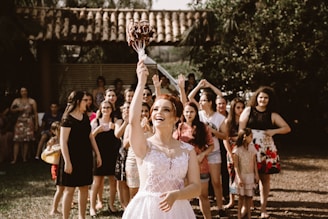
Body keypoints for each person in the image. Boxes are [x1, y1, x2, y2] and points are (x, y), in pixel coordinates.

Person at [122, 61, 201, 218]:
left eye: (166, 110)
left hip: (179, 211)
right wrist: (141, 83)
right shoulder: (144, 146)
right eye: (156, 109)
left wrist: (176, 195)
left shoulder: (187, 150)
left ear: (176, 117)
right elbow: (133, 120)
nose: (159, 113)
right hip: (146, 211)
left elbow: (196, 187)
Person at [239, 86, 291, 219]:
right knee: (247, 177)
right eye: (261, 97)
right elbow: (241, 129)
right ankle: (248, 206)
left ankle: (263, 208)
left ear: (269, 99)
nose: (263, 100)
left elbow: (287, 128)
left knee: (264, 178)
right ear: (256, 97)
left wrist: (274, 131)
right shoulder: (248, 111)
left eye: (266, 98)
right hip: (249, 147)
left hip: (265, 150)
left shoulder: (272, 114)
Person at [56, 90, 102, 219]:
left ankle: (82, 216)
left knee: (84, 188)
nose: (87, 102)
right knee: (69, 190)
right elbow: (63, 142)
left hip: (85, 157)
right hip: (71, 157)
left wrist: (98, 154)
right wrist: (67, 161)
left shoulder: (85, 117)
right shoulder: (67, 119)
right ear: (78, 102)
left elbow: (90, 137)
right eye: (85, 100)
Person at [188, 79, 228, 217]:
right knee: (201, 182)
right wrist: (199, 86)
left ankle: (220, 206)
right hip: (199, 153)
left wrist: (213, 131)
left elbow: (225, 136)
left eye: (204, 100)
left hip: (214, 152)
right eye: (201, 100)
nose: (201, 102)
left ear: (210, 102)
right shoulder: (198, 115)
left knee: (216, 181)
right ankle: (204, 206)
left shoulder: (219, 118)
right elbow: (189, 98)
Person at [173, 101, 214, 219]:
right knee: (185, 196)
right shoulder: (180, 127)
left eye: (191, 111)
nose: (189, 114)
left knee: (203, 195)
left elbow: (211, 145)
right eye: (186, 112)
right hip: (184, 166)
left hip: (201, 165)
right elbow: (174, 143)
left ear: (196, 113)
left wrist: (202, 155)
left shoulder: (203, 127)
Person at [89, 100, 121, 217]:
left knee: (113, 182)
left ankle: (111, 205)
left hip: (112, 155)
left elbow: (120, 135)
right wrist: (97, 131)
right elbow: (90, 138)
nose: (106, 109)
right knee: (97, 182)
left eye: (108, 107)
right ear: (100, 109)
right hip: (99, 155)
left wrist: (114, 128)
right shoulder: (95, 122)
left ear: (112, 109)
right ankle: (92, 207)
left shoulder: (115, 122)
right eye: (104, 108)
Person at [124, 102, 153, 200]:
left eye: (146, 111)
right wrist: (139, 129)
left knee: (148, 191)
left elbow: (158, 145)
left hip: (150, 162)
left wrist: (151, 131)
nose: (144, 113)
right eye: (141, 111)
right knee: (134, 193)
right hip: (133, 162)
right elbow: (125, 145)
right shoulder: (130, 126)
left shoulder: (154, 128)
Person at [222, 97, 245, 209]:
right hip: (231, 151)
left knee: (245, 174)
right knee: (232, 175)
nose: (240, 110)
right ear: (233, 108)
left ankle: (246, 201)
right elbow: (225, 138)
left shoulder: (245, 121)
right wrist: (229, 153)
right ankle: (232, 200)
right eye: (238, 107)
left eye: (242, 107)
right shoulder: (228, 121)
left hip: (244, 151)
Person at [232, 128, 259, 219]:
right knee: (241, 197)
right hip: (242, 175)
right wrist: (239, 178)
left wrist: (256, 174)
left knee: (249, 196)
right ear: (245, 137)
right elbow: (236, 166)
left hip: (250, 175)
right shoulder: (237, 150)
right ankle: (239, 215)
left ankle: (249, 215)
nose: (252, 138)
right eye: (250, 136)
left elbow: (254, 162)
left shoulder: (252, 148)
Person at [10, 86, 39, 164]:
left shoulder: (32, 101)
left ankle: (24, 158)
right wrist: (18, 109)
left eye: (25, 91)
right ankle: (15, 159)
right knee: (16, 140)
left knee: (26, 140)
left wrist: (36, 124)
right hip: (19, 121)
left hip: (28, 121)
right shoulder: (16, 101)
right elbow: (11, 110)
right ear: (20, 92)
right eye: (22, 91)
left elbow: (35, 113)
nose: (24, 92)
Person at [42, 121, 64, 215]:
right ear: (53, 131)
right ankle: (54, 209)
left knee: (67, 187)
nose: (60, 132)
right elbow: (45, 154)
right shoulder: (52, 141)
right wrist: (56, 149)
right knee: (60, 188)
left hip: (64, 165)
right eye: (58, 130)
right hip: (56, 166)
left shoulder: (64, 138)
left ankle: (67, 202)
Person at [216, 95, 230, 203]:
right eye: (219, 103)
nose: (221, 105)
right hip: (215, 144)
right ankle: (213, 193)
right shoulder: (213, 116)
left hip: (228, 144)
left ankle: (226, 193)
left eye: (223, 103)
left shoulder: (230, 117)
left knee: (225, 170)